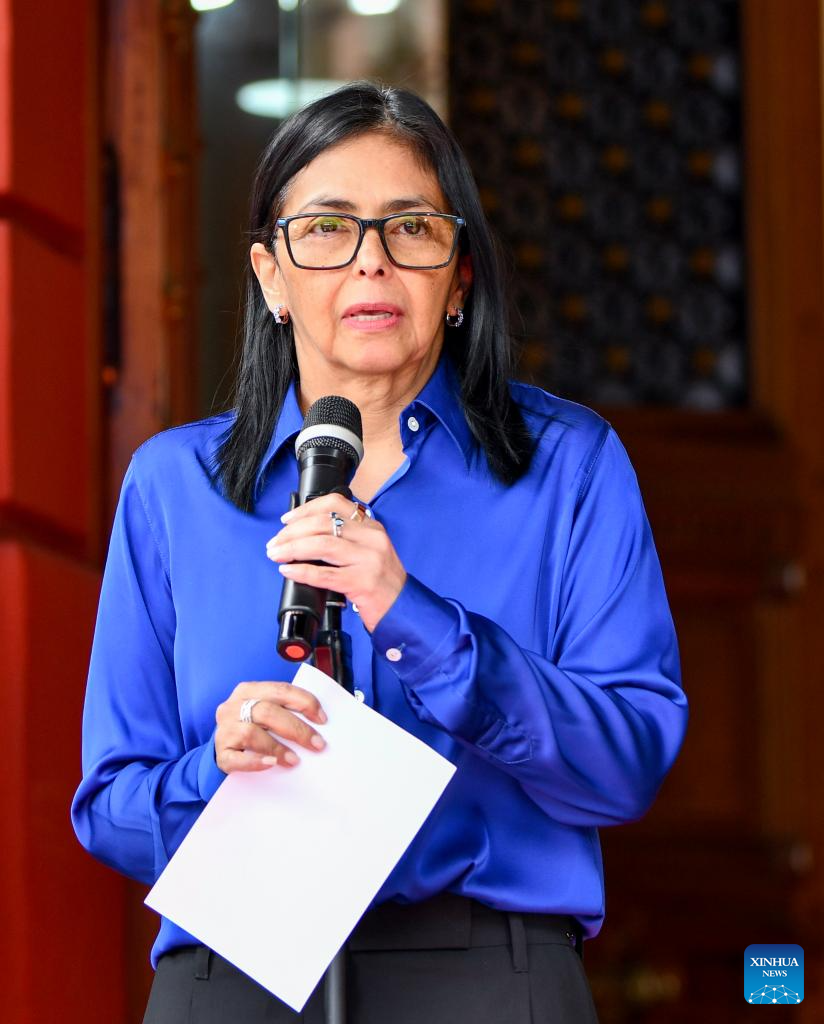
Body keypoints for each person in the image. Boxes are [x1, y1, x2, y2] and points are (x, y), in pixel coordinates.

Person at [71, 81, 688, 1024]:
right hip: (234, 977)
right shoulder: (173, 485)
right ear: (271, 277)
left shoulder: (568, 466)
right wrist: (215, 770)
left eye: (411, 228)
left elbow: (628, 760)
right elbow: (109, 806)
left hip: (488, 974)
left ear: (459, 277)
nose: (371, 261)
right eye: (326, 228)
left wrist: (418, 621)